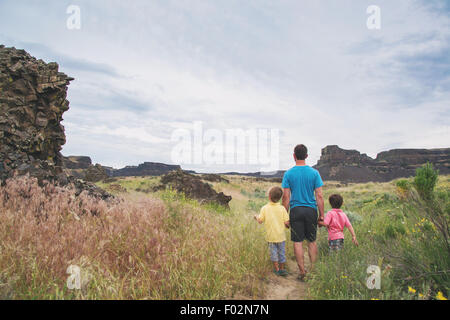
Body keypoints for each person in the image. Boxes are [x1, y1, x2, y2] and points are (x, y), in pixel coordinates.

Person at [282, 144, 324, 281]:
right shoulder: (314, 173)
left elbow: (286, 197)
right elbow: (319, 196)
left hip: (296, 211)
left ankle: (302, 272)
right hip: (311, 211)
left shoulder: (288, 174)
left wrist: (285, 216)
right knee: (312, 241)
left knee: (297, 242)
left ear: (294, 156)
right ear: (306, 156)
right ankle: (313, 270)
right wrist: (321, 215)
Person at [254, 186, 290, 277]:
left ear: (269, 196)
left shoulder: (264, 208)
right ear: (280, 197)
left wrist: (256, 217)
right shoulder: (282, 209)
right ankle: (282, 269)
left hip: (270, 237)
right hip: (281, 236)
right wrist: (288, 226)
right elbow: (287, 222)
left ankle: (276, 269)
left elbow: (260, 221)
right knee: (282, 253)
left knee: (273, 253)